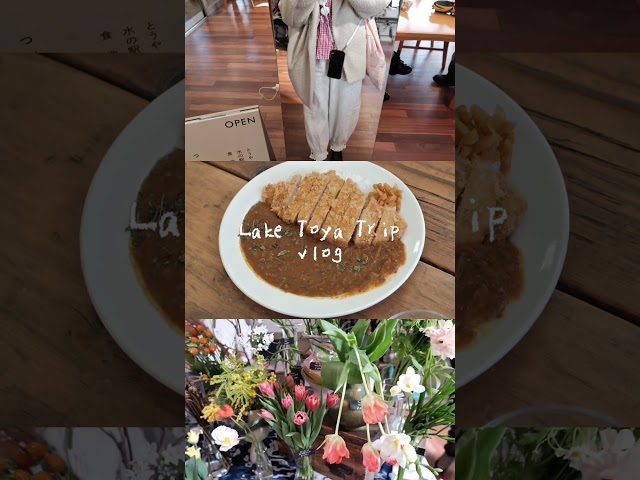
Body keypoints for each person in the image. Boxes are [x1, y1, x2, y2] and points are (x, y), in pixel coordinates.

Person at [280, 0, 388, 161]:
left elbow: (374, 7)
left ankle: (338, 145)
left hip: (349, 52)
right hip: (311, 54)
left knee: (346, 106)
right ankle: (318, 152)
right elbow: (291, 18)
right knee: (315, 108)